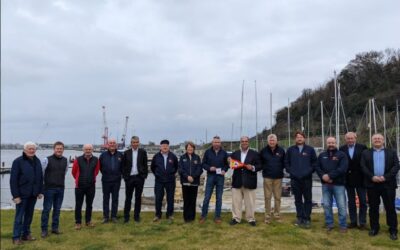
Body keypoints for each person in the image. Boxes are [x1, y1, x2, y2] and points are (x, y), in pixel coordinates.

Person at [361, 133, 399, 240]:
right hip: (372, 184)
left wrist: (385, 177)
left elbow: (396, 166)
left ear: (383, 140)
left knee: (390, 208)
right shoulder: (365, 153)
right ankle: (374, 228)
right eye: (375, 138)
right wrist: (372, 177)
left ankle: (393, 230)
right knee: (373, 208)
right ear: (372, 141)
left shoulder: (391, 152)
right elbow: (363, 167)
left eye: (379, 138)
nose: (377, 140)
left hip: (388, 185)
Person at [10, 141, 43, 245]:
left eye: (33, 148)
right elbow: (13, 180)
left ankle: (26, 234)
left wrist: (40, 191)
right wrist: (16, 196)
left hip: (33, 194)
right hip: (21, 195)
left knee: (29, 216)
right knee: (19, 217)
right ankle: (16, 237)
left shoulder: (37, 161)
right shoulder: (18, 161)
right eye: (29, 148)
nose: (32, 150)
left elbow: (40, 177)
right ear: (25, 150)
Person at [284, 131, 317, 228]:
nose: (299, 138)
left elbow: (314, 163)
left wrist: (307, 173)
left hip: (307, 179)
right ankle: (299, 218)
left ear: (304, 138)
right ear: (295, 139)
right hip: (294, 179)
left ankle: (307, 218)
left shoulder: (310, 150)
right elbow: (286, 163)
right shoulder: (290, 150)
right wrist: (292, 172)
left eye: (301, 137)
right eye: (297, 137)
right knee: (297, 199)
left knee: (308, 199)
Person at [316, 137, 348, 233]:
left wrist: (329, 176)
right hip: (325, 185)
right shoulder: (322, 155)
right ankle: (329, 223)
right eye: (329, 142)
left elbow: (342, 168)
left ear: (336, 143)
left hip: (338, 185)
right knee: (326, 205)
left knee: (341, 205)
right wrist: (323, 176)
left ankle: (343, 225)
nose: (331, 144)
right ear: (326, 143)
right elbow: (317, 167)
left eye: (332, 142)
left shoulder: (342, 155)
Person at [229, 136, 261, 226]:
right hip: (237, 181)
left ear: (248, 142)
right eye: (242, 141)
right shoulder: (235, 153)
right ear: (240, 142)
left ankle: (250, 219)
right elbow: (229, 162)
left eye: (246, 141)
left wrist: (253, 167)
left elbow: (260, 165)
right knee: (236, 202)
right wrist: (228, 161)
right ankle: (236, 218)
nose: (244, 143)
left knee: (250, 202)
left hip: (249, 181)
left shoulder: (254, 154)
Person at [339, 132, 368, 229]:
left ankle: (362, 222)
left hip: (361, 178)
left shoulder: (363, 147)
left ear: (355, 138)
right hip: (348, 179)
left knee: (363, 201)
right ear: (345, 139)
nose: (350, 140)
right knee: (351, 202)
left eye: (352, 138)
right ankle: (353, 222)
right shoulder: (342, 149)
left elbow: (366, 161)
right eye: (348, 138)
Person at [40, 141, 68, 238]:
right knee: (46, 210)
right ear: (54, 149)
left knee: (57, 209)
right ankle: (44, 230)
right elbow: (41, 174)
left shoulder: (66, 160)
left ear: (63, 149)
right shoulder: (46, 160)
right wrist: (42, 188)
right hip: (49, 189)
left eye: (61, 148)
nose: (59, 150)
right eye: (57, 148)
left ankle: (55, 228)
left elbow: (64, 173)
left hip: (60, 189)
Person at [200, 136, 229, 224]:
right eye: (215, 142)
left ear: (220, 143)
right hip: (211, 176)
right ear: (212, 143)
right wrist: (209, 168)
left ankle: (217, 217)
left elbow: (227, 164)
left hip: (220, 177)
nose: (216, 144)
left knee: (219, 198)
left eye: (218, 142)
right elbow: (203, 164)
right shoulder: (207, 152)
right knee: (207, 197)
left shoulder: (224, 153)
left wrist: (224, 170)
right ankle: (203, 216)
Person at [72, 144, 100, 229]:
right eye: (86, 149)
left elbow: (96, 171)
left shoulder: (96, 159)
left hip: (91, 186)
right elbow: (74, 172)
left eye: (90, 149)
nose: (88, 151)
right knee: (78, 205)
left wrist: (91, 179)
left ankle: (88, 221)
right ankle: (78, 222)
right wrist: (79, 179)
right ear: (83, 150)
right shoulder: (78, 159)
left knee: (89, 204)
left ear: (92, 150)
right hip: (79, 186)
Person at [259, 134, 286, 224]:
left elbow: (284, 163)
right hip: (267, 177)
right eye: (270, 140)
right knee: (267, 197)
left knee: (277, 197)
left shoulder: (281, 151)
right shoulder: (263, 151)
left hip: (278, 177)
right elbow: (259, 162)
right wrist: (264, 168)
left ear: (276, 141)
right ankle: (267, 216)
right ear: (268, 141)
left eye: (273, 140)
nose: (272, 142)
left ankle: (277, 215)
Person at [151, 139, 178, 222]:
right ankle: (158, 215)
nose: (165, 147)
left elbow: (176, 166)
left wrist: (172, 173)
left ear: (168, 147)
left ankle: (169, 215)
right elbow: (152, 167)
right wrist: (157, 174)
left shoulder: (173, 156)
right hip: (159, 181)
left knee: (170, 198)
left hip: (170, 181)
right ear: (161, 147)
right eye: (163, 146)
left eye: (166, 146)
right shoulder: (156, 156)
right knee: (158, 198)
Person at [122, 136, 148, 223]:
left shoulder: (143, 152)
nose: (135, 144)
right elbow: (123, 166)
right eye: (133, 142)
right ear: (131, 143)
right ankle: (126, 217)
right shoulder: (126, 153)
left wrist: (144, 176)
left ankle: (137, 217)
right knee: (128, 198)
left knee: (138, 198)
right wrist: (125, 177)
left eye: (137, 142)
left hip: (139, 178)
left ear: (139, 143)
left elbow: (145, 165)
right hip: (129, 178)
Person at [99, 138, 123, 223]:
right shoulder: (103, 155)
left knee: (115, 198)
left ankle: (114, 216)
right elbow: (100, 168)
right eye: (110, 143)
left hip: (116, 181)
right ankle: (105, 216)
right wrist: (107, 174)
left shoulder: (120, 155)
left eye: (113, 143)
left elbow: (123, 167)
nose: (112, 144)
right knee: (106, 198)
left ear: (116, 145)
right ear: (108, 145)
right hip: (106, 180)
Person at [178, 141, 203, 222]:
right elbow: (180, 169)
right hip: (185, 182)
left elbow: (200, 169)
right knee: (186, 200)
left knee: (193, 200)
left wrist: (193, 177)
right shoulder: (182, 157)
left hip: (194, 182)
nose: (190, 149)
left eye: (191, 148)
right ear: (186, 149)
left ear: (193, 149)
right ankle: (186, 218)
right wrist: (187, 176)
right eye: (188, 148)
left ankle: (192, 217)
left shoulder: (197, 157)